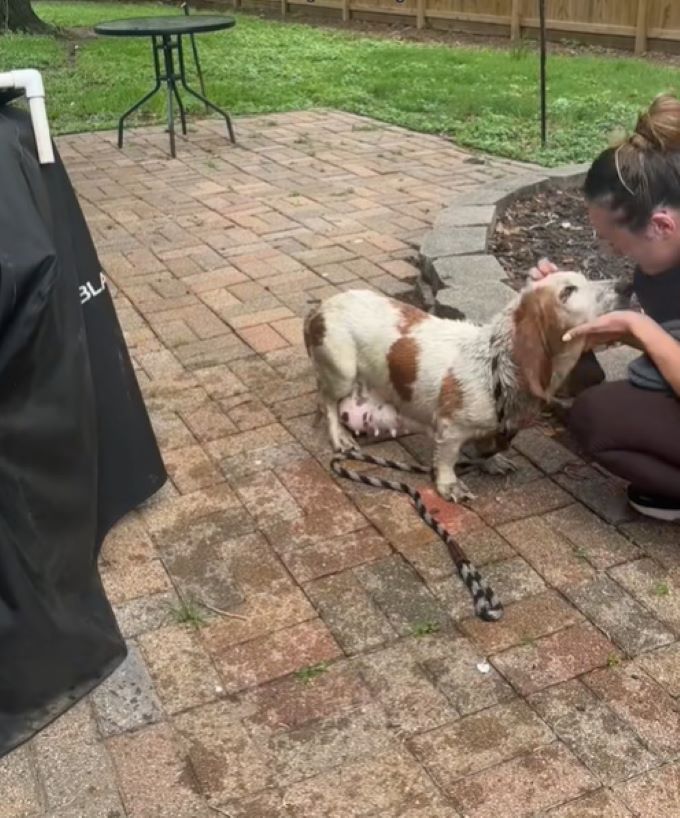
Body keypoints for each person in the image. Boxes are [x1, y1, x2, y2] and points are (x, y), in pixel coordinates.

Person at [533, 93, 680, 521]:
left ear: (661, 225)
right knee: (601, 406)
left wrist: (639, 329)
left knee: (600, 420)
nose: (613, 252)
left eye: (617, 242)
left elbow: (657, 336)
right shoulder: (663, 261)